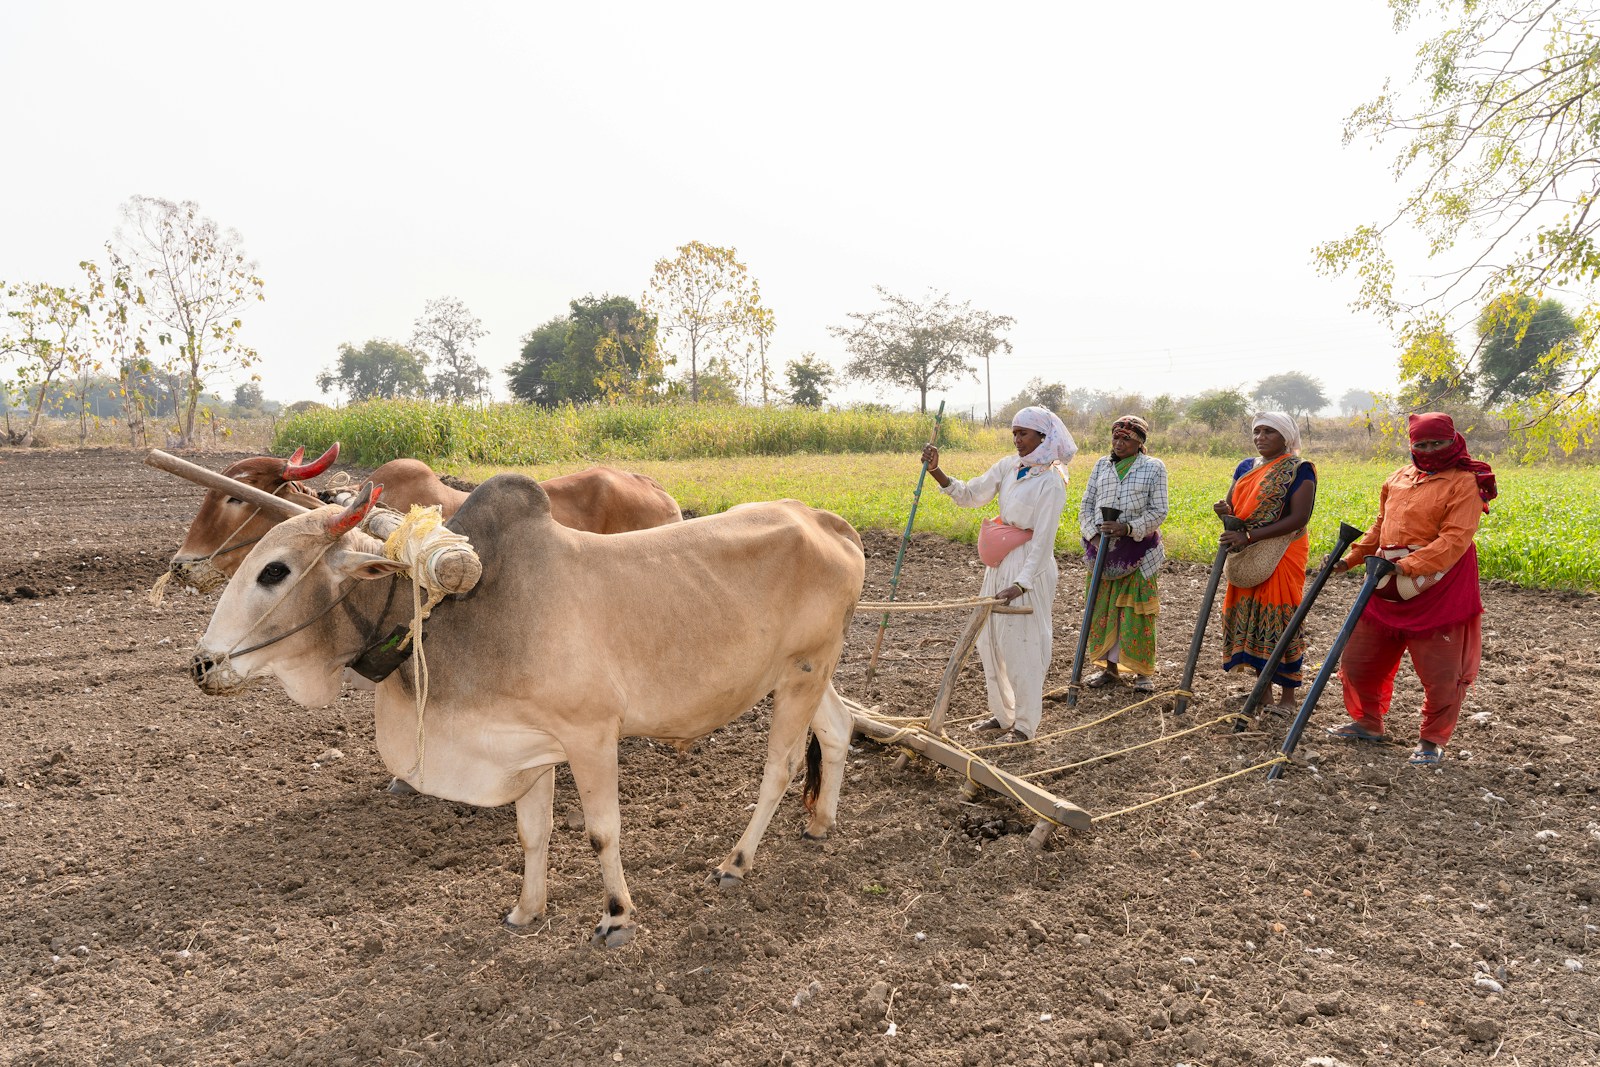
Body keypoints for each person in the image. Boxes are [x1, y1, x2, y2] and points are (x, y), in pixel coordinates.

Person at [1326, 412, 1496, 767]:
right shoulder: (1398, 478)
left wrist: (1406, 566)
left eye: (1438, 443)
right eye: (1422, 444)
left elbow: (1455, 539)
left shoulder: (1463, 482)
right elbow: (1380, 527)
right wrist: (1351, 559)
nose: (1430, 450)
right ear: (1411, 445)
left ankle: (1432, 741)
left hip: (1439, 586)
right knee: (1358, 660)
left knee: (1441, 673)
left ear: (1454, 441)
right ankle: (1367, 722)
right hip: (1385, 580)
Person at [921, 406, 1076, 742]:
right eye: (1015, 434)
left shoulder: (1051, 480)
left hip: (1028, 568)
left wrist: (1022, 583)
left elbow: (1045, 540)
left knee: (1023, 645)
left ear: (1043, 437)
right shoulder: (1010, 467)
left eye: (1024, 434)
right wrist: (937, 471)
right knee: (990, 641)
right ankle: (1002, 714)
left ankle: (1024, 726)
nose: (1018, 440)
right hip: (1001, 564)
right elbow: (972, 494)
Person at [1213, 412, 1318, 707]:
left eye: (1269, 432)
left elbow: (1299, 517)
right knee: (1252, 618)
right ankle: (1264, 693)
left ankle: (1287, 697)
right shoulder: (1246, 467)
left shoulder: (1300, 469)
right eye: (1257, 432)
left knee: (1281, 619)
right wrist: (1224, 511)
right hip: (1247, 551)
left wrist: (1251, 537)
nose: (1261, 438)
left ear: (1286, 437)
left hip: (1283, 549)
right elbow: (1236, 509)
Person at [1078, 415, 1169, 692]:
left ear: (1140, 442)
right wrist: (1092, 534)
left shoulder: (1153, 468)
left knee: (1135, 612)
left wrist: (1128, 528)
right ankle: (1110, 670)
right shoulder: (1101, 465)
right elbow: (1086, 504)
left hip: (1139, 552)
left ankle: (1142, 674)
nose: (1119, 443)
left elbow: (1159, 510)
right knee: (1102, 608)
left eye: (1126, 438)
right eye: (1116, 437)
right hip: (1102, 550)